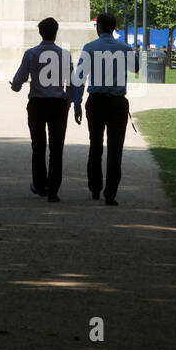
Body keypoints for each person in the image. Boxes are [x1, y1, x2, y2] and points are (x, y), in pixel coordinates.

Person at [71, 12, 137, 206]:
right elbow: (135, 69)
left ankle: (95, 187)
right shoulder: (125, 47)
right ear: (114, 27)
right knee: (116, 150)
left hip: (96, 101)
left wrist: (76, 103)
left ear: (98, 27)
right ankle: (111, 194)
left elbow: (80, 78)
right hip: (117, 102)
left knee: (95, 147)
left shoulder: (90, 48)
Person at [10, 17, 73, 202]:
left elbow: (19, 79)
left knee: (38, 146)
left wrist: (15, 86)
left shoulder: (31, 53)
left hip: (37, 102)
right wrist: (68, 101)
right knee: (56, 147)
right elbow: (71, 82)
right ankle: (53, 189)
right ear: (56, 32)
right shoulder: (65, 55)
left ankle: (39, 185)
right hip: (57, 103)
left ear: (40, 33)